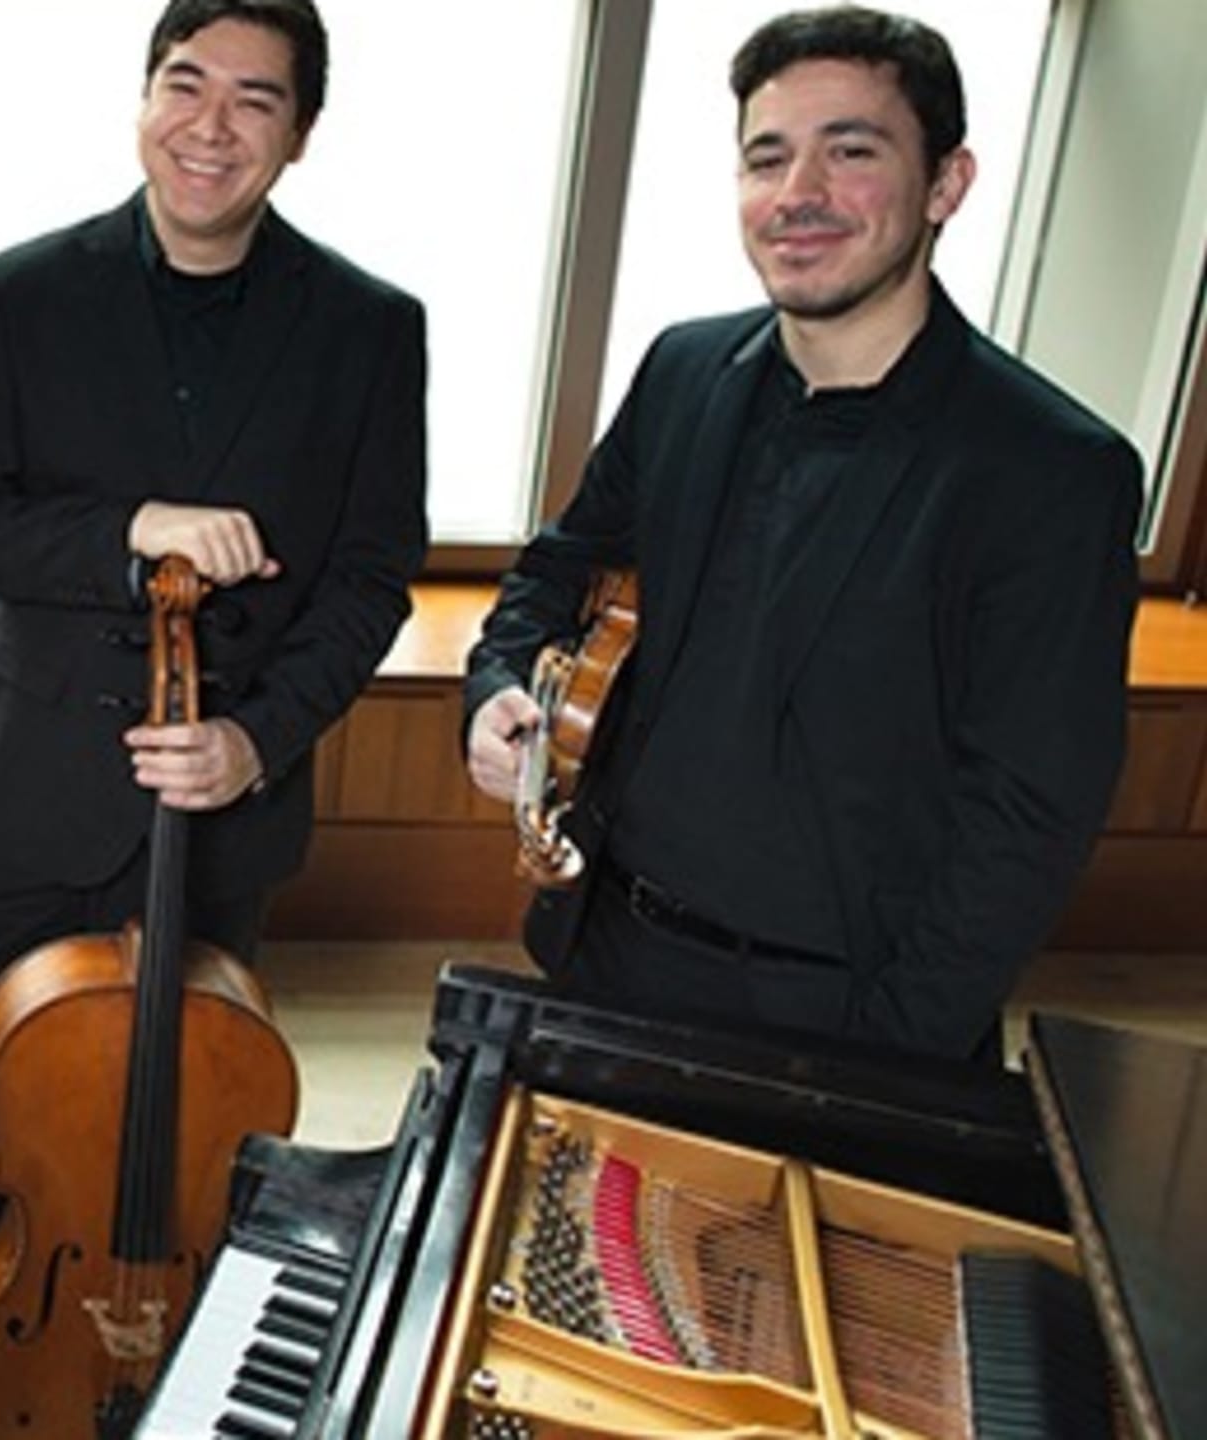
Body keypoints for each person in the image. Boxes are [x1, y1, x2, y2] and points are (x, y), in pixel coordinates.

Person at [0, 1, 429, 1431]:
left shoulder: (372, 329)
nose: (211, 125)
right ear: (143, 100)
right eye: (184, 85)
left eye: (255, 100)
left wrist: (256, 741)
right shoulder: (19, 294)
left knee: (178, 1128)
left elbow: (374, 576)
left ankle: (147, 1382)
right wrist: (129, 529)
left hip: (219, 797)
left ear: (301, 135)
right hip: (24, 786)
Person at [464, 6, 1140, 1063]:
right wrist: (498, 687)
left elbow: (1029, 811)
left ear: (946, 184)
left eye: (851, 152)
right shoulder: (682, 371)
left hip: (846, 1013)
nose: (798, 194)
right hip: (607, 953)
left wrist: (891, 1052)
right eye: (766, 158)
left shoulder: (1052, 468)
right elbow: (554, 570)